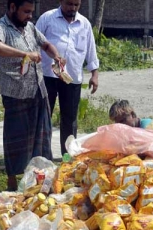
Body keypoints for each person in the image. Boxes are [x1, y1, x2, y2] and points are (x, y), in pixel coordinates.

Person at [0, 0, 65, 191]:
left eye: (31, 12)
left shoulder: (29, 27)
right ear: (13, 7)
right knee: (16, 137)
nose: (30, 16)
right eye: (26, 11)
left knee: (41, 135)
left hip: (38, 89)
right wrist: (25, 54)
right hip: (15, 92)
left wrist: (56, 56)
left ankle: (40, 178)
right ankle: (12, 178)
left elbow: (45, 44)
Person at [36, 0, 99, 156]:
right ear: (61, 1)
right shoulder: (47, 18)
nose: (73, 8)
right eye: (69, 4)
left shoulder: (84, 23)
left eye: (76, 5)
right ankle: (43, 155)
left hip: (72, 79)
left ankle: (68, 155)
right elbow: (34, 42)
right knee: (44, 117)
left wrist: (94, 75)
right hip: (48, 76)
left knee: (69, 120)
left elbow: (91, 50)